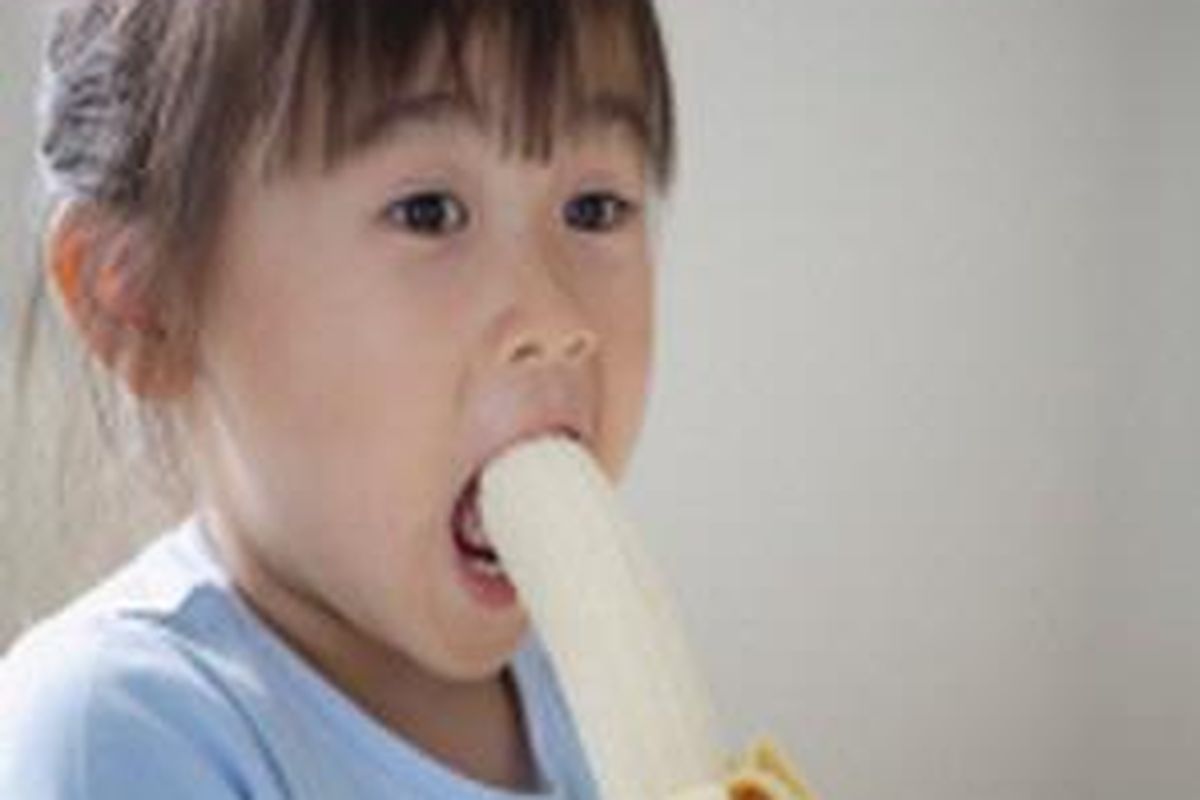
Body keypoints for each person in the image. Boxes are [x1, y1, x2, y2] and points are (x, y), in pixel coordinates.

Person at [0, 1, 676, 797]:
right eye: (429, 213)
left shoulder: (572, 692)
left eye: (595, 210)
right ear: (144, 305)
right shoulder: (118, 729)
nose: (555, 323)